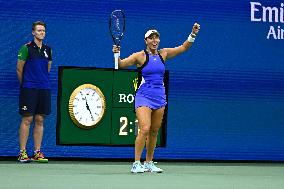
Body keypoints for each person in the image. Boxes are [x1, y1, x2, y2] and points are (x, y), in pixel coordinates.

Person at [112, 23, 200, 173]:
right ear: (146, 41)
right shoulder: (139, 56)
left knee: (154, 131)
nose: (154, 40)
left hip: (160, 97)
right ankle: (136, 163)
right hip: (143, 96)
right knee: (144, 128)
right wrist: (116, 54)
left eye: (156, 38)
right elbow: (120, 65)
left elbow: (184, 47)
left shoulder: (163, 54)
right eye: (151, 38)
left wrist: (193, 34)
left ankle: (148, 162)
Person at [16, 21, 52, 163]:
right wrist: (25, 85)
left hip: (44, 88)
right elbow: (19, 69)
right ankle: (22, 153)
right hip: (29, 88)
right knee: (27, 119)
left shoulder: (48, 50)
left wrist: (41, 81)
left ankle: (37, 152)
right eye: (38, 30)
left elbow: (47, 69)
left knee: (40, 119)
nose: (41, 33)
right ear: (33, 32)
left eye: (43, 30)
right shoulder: (25, 48)